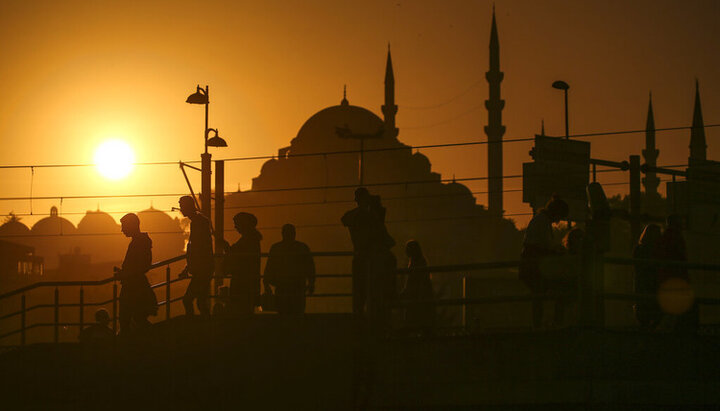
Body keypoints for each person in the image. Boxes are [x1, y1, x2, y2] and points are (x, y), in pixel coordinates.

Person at [519, 195, 569, 329]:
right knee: (559, 290)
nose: (559, 221)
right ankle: (554, 323)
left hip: (532, 264)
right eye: (560, 216)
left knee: (539, 296)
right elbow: (541, 246)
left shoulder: (540, 220)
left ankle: (539, 325)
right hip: (534, 266)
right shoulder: (542, 222)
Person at [114, 213, 156, 336]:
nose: (122, 230)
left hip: (134, 287)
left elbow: (142, 265)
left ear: (132, 225)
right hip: (135, 286)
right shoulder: (139, 241)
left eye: (124, 226)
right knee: (134, 318)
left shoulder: (140, 242)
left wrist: (125, 274)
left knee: (129, 318)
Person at [656, 214, 698, 332]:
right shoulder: (676, 236)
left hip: (667, 276)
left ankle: (666, 329)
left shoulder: (665, 236)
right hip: (676, 276)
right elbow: (680, 257)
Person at [264, 224, 316, 316]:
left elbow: (269, 267)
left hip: (282, 285)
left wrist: (266, 284)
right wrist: (311, 283)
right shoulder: (302, 247)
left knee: (283, 313)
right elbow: (310, 267)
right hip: (297, 286)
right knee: (297, 313)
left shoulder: (276, 248)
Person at [178, 196, 215, 319]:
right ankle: (204, 325)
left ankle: (193, 325)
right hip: (204, 268)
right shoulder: (199, 221)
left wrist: (189, 266)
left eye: (182, 206)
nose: (181, 209)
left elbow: (198, 246)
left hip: (202, 269)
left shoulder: (199, 222)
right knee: (200, 301)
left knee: (188, 300)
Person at [341, 188, 375, 316]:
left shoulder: (353, 215)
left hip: (359, 256)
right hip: (369, 258)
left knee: (359, 291)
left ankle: (358, 315)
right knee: (369, 290)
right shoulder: (369, 215)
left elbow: (344, 219)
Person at [225, 212, 262, 316]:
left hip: (243, 283)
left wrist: (227, 248)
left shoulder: (248, 240)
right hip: (248, 283)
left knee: (241, 310)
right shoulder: (252, 239)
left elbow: (238, 255)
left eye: (237, 224)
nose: (235, 227)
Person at [401, 240, 434, 334]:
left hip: (416, 296)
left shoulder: (416, 263)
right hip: (417, 295)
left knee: (414, 319)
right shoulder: (419, 262)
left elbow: (414, 281)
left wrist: (405, 292)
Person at [633, 224, 662, 329]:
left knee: (643, 304)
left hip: (642, 281)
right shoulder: (657, 250)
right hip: (653, 282)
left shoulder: (639, 249)